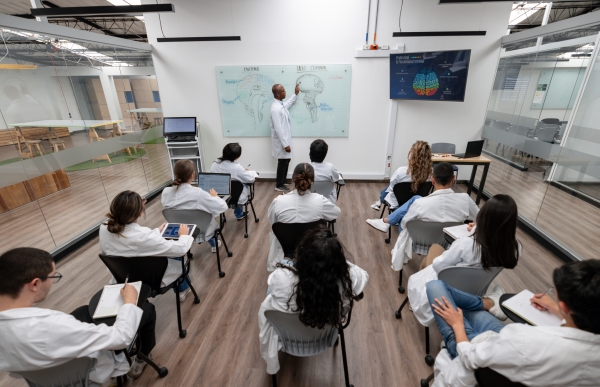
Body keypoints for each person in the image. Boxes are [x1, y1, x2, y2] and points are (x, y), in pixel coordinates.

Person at [427, 259, 600, 387]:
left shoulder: (523, 338)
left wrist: (457, 326)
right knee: (469, 308)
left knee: (435, 286)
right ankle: (489, 304)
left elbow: (469, 358)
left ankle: (488, 303)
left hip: (472, 351)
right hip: (502, 346)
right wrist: (557, 308)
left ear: (566, 306)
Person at [0, 248, 157, 387]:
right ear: (34, 284)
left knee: (82, 312)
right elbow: (120, 337)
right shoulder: (52, 326)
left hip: (44, 381)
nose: (52, 283)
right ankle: (133, 364)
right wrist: (129, 302)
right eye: (52, 277)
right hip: (86, 376)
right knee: (147, 310)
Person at [258, 228, 369, 375]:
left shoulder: (281, 277)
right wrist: (339, 265)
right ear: (338, 262)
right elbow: (363, 275)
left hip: (289, 338)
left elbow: (273, 288)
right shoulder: (349, 280)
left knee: (271, 294)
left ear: (302, 255)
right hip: (325, 336)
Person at [407, 194, 521, 326]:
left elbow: (438, 266)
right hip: (475, 288)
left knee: (435, 249)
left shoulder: (465, 244)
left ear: (483, 217)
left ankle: (415, 302)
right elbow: (497, 234)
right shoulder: (515, 248)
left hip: (447, 289)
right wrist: (478, 228)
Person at [368, 162, 479, 270]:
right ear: (453, 179)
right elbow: (480, 217)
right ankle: (386, 221)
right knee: (415, 199)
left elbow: (405, 224)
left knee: (405, 219)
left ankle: (387, 223)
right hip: (448, 242)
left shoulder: (421, 204)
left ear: (432, 180)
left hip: (420, 242)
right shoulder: (465, 200)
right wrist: (475, 225)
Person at [99, 190, 195, 302]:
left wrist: (156, 232)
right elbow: (181, 249)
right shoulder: (143, 237)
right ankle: (183, 288)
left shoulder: (104, 227)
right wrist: (183, 236)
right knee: (175, 256)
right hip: (150, 280)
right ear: (139, 213)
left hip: (123, 276)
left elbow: (137, 242)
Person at [267, 163, 341, 271]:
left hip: (286, 249)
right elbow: (336, 213)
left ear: (292, 179)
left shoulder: (278, 201)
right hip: (313, 248)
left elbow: (273, 222)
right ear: (313, 180)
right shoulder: (320, 200)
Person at [163, 159, 228, 252]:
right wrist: (215, 197)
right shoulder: (198, 193)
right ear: (193, 175)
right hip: (201, 230)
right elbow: (223, 207)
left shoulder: (166, 192)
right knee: (208, 219)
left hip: (180, 230)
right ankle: (214, 244)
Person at [370, 140, 432, 211]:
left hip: (398, 203)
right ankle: (379, 202)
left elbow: (392, 188)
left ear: (412, 155)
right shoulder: (431, 174)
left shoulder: (401, 171)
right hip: (417, 203)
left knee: (385, 191)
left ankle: (379, 202)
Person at [210, 143, 258, 220]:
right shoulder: (236, 167)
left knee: (233, 183)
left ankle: (236, 214)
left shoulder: (215, 164)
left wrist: (241, 173)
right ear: (237, 156)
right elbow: (250, 179)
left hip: (218, 195)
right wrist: (245, 173)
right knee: (241, 184)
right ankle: (239, 214)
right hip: (236, 198)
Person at [270, 82, 300, 192]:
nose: (284, 91)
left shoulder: (280, 105)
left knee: (286, 160)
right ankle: (279, 184)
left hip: (285, 139)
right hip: (282, 141)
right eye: (283, 90)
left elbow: (287, 104)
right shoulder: (275, 109)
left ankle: (283, 180)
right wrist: (285, 144)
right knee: (282, 162)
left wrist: (295, 94)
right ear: (278, 94)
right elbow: (278, 129)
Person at [310, 139, 342, 204]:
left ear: (310, 153)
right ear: (325, 154)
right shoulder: (330, 167)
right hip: (327, 201)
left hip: (308, 200)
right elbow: (337, 178)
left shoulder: (305, 167)